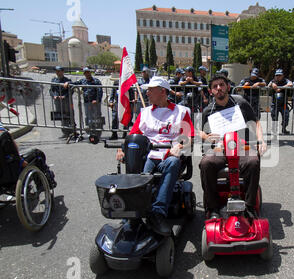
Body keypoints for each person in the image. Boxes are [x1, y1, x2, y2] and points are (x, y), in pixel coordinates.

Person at [115, 77, 194, 236]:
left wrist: (179, 146)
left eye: (151, 90)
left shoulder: (181, 111)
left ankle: (158, 213)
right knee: (138, 169)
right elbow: (133, 135)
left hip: (168, 155)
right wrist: (121, 148)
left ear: (162, 91)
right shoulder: (144, 113)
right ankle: (133, 210)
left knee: (172, 162)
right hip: (147, 155)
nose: (147, 92)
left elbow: (189, 136)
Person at [199, 75, 266, 219]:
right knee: (206, 164)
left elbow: (256, 121)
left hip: (244, 147)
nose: (219, 89)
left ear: (227, 87)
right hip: (220, 149)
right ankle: (213, 208)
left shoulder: (240, 102)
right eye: (215, 87)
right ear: (211, 91)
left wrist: (261, 140)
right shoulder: (208, 111)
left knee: (253, 162)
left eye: (221, 85)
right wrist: (206, 137)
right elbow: (202, 132)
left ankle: (249, 206)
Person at [0, 120, 57, 189]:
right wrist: (22, 162)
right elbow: (15, 155)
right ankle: (45, 183)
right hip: (11, 175)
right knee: (38, 154)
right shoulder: (3, 135)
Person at [69, 67, 104, 136]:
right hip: (87, 102)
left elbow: (100, 91)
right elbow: (75, 83)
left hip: (95, 102)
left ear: (90, 73)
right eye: (85, 73)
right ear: (84, 74)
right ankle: (90, 132)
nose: (87, 74)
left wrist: (97, 99)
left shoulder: (96, 81)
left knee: (97, 117)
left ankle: (98, 132)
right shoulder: (83, 81)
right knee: (88, 117)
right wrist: (68, 83)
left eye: (88, 72)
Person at [49, 66, 76, 138]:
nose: (57, 72)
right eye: (56, 71)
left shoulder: (67, 80)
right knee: (61, 116)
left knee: (68, 115)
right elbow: (51, 90)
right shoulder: (54, 80)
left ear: (62, 72)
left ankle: (72, 131)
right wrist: (54, 95)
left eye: (59, 71)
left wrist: (65, 96)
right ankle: (65, 132)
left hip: (66, 101)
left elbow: (72, 89)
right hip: (57, 100)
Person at [268, 69, 293, 135]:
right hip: (275, 103)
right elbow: (268, 85)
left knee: (286, 117)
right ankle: (274, 131)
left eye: (280, 75)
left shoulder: (286, 80)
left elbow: (290, 84)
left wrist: (281, 88)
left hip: (283, 103)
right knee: (274, 117)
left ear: (283, 75)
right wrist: (272, 84)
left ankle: (284, 128)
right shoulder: (273, 81)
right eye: (277, 75)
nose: (278, 77)